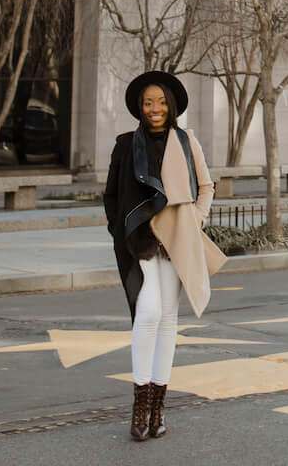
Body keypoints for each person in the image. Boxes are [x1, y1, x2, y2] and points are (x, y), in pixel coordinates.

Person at [103, 71, 227, 441]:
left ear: (170, 106)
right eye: (148, 103)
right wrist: (116, 227)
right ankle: (139, 406)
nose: (154, 109)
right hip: (139, 240)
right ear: (140, 109)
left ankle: (158, 409)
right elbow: (110, 194)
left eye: (160, 102)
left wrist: (197, 219)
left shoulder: (187, 142)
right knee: (149, 312)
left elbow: (206, 186)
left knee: (169, 318)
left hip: (178, 240)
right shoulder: (125, 145)